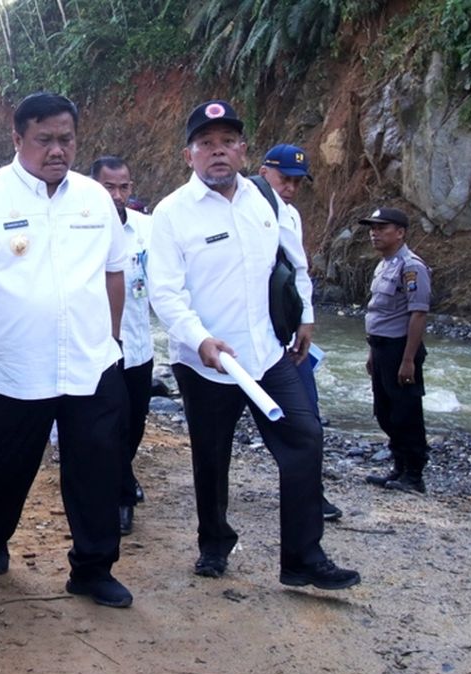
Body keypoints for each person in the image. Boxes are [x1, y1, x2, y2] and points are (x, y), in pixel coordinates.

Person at [146, 99, 360, 590]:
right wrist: (200, 340)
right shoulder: (172, 215)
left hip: (266, 355)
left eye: (227, 143)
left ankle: (302, 558)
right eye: (206, 144)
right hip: (207, 364)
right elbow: (165, 292)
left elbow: (294, 263)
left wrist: (305, 315)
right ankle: (214, 544)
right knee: (211, 456)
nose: (217, 153)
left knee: (305, 439)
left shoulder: (267, 204)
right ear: (189, 155)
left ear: (242, 150)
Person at [0, 92, 134, 608]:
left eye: (66, 139)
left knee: (97, 465)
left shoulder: (96, 199)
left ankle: (93, 567)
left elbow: (113, 270)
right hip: (13, 364)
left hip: (90, 361)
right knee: (9, 465)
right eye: (45, 140)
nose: (57, 150)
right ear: (18, 139)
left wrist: (113, 341)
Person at [256, 144, 343, 521]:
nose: (290, 187)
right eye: (283, 179)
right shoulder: (242, 209)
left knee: (305, 416)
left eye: (296, 182)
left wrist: (305, 320)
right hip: (239, 337)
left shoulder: (290, 215)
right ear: (263, 173)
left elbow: (298, 269)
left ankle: (311, 495)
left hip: (281, 334)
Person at [89, 155, 152, 537]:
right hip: (98, 346)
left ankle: (121, 478)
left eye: (123, 186)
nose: (116, 194)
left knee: (135, 423)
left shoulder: (147, 228)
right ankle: (120, 497)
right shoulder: (84, 228)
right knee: (111, 423)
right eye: (108, 186)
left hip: (140, 345)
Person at [360, 207, 431, 494]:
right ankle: (399, 466)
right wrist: (371, 354)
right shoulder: (384, 264)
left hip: (400, 347)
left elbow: (418, 314)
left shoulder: (411, 267)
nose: (374, 233)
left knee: (406, 412)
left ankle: (414, 474)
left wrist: (408, 359)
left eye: (382, 228)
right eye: (372, 228)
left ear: (400, 233)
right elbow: (378, 312)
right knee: (385, 411)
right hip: (381, 348)